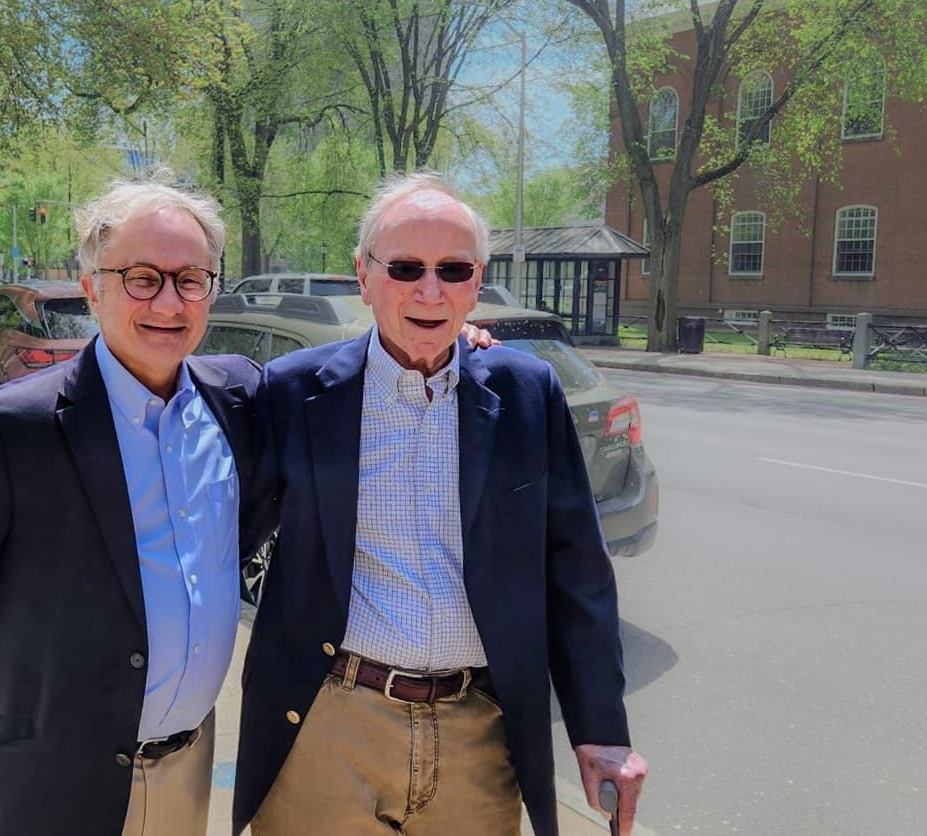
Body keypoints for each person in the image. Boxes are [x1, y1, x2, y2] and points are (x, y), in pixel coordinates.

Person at [232, 171, 649, 836]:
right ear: (363, 277)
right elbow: (223, 535)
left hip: (477, 732)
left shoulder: (526, 393)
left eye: (453, 269)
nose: (431, 291)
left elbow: (576, 570)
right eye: (405, 268)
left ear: (476, 281)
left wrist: (600, 727)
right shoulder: (292, 393)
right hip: (327, 725)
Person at [0, 174, 272, 836]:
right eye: (142, 277)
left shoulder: (236, 398)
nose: (169, 301)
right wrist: (12, 719)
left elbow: (344, 384)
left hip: (189, 770)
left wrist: (465, 352)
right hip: (54, 781)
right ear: (93, 286)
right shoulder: (8, 431)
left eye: (191, 279)